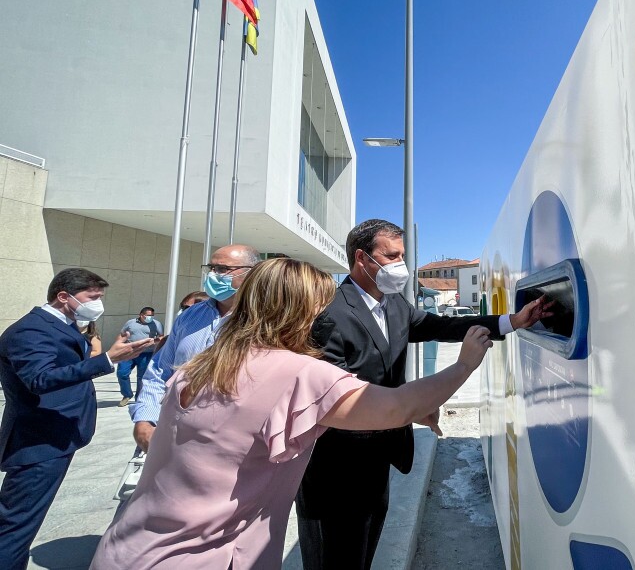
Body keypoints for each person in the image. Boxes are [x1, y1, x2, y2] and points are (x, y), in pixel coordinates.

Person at [90, 258, 495, 570]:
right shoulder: (299, 374)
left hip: (129, 548)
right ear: (300, 312)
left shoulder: (199, 366)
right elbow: (398, 407)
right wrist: (464, 366)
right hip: (208, 558)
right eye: (321, 307)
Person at [296, 219, 553, 570]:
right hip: (336, 474)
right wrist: (410, 407)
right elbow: (334, 403)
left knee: (362, 555)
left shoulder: (394, 306)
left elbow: (442, 326)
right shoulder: (330, 314)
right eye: (392, 255)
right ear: (362, 258)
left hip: (377, 461)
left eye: (403, 255)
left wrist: (512, 321)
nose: (401, 264)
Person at [0, 268, 153, 570]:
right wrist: (108, 360)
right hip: (39, 442)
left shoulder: (64, 324)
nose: (98, 303)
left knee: (23, 521)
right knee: (16, 525)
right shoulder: (32, 330)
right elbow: (40, 379)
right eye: (92, 297)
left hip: (57, 436)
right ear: (63, 296)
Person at [129, 245, 259, 452]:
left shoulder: (265, 321)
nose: (214, 275)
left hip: (231, 443)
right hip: (173, 434)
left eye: (223, 269)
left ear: (251, 273)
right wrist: (145, 420)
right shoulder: (190, 316)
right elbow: (159, 371)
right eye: (212, 268)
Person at [116, 307, 164, 407]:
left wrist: (155, 341)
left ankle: (139, 398)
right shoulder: (131, 323)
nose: (150, 317)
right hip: (129, 352)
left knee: (142, 377)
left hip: (146, 353)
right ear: (141, 315)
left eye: (152, 315)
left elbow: (162, 337)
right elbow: (122, 334)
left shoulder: (157, 324)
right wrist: (119, 347)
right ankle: (127, 395)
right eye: (148, 315)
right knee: (122, 373)